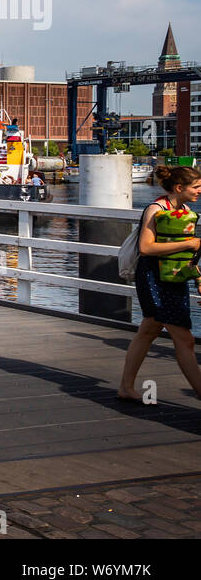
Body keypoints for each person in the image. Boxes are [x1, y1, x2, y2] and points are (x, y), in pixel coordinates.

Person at [117, 165, 201, 403]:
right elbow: (146, 248)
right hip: (155, 277)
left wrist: (197, 277)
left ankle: (125, 387)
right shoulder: (156, 209)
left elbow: (186, 253)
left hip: (173, 276)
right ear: (179, 188)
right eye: (195, 187)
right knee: (185, 338)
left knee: (149, 329)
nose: (199, 191)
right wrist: (189, 244)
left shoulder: (183, 210)